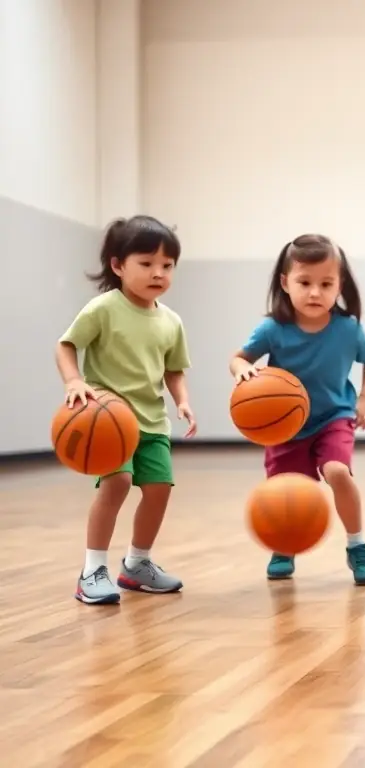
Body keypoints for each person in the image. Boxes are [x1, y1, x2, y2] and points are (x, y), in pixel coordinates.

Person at [57, 215, 196, 605]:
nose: (159, 273)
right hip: (108, 420)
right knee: (116, 484)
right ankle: (92, 570)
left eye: (167, 266)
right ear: (118, 266)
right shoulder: (103, 308)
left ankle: (137, 564)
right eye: (147, 263)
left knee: (159, 490)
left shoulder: (171, 321)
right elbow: (66, 345)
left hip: (151, 422)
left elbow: (173, 369)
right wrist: (73, 381)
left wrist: (182, 399)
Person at [229, 234, 365, 586]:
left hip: (335, 416)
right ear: (285, 283)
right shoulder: (273, 329)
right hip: (286, 426)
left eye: (326, 284)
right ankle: (284, 545)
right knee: (288, 492)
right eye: (305, 282)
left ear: (339, 285)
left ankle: (358, 546)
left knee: (338, 473)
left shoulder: (348, 329)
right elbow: (238, 358)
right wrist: (243, 372)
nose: (315, 292)